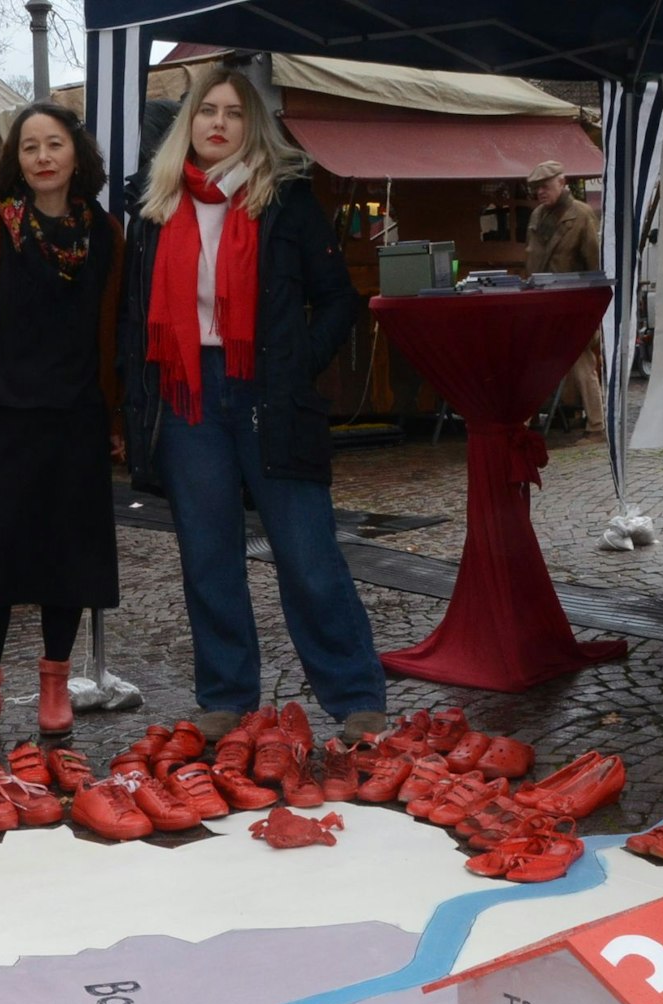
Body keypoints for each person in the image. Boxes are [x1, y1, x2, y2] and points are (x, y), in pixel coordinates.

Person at [121, 66, 387, 743]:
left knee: (306, 550)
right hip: (187, 391)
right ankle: (226, 695)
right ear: (188, 123)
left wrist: (297, 366)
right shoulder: (153, 205)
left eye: (234, 113)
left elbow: (337, 299)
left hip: (269, 389)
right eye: (206, 110)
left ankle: (356, 697)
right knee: (208, 553)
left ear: (253, 125)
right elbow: (130, 315)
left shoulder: (286, 199)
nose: (218, 124)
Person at [0, 103, 124, 745]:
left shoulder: (103, 231)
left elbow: (116, 330)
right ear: (15, 159)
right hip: (0, 421)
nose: (43, 157)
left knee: (66, 559)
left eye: (55, 145)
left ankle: (54, 686)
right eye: (30, 147)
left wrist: (117, 415)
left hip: (75, 421)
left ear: (77, 155)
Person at [524, 159, 604, 437]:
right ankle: (524, 421)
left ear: (562, 182)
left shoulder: (581, 215)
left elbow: (595, 264)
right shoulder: (537, 217)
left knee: (582, 365)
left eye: (545, 186)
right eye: (537, 189)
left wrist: (592, 306)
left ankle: (596, 425)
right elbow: (532, 258)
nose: (541, 193)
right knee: (531, 363)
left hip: (573, 304)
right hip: (541, 301)